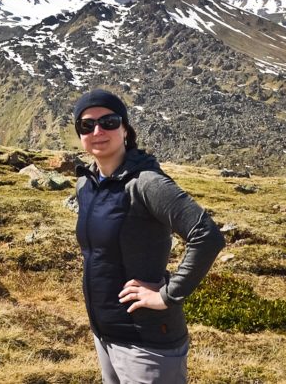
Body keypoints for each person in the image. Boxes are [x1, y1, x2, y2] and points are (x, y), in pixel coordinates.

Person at [73, 88, 225, 384]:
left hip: (146, 340)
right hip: (104, 334)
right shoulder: (86, 184)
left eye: (109, 121)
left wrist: (167, 296)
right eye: (87, 125)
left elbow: (206, 235)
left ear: (126, 128)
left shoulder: (147, 183)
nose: (98, 130)